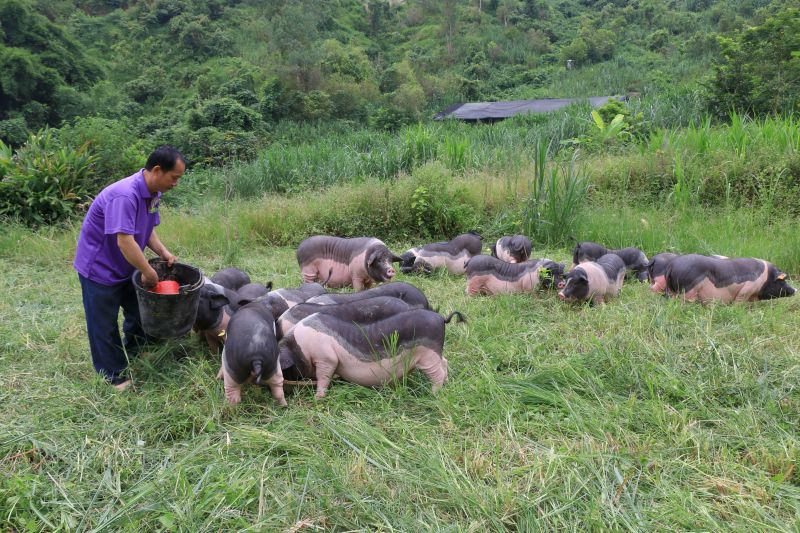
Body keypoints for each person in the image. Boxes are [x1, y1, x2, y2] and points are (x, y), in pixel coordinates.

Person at [74, 145, 186, 390]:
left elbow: (147, 229)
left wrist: (164, 252)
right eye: (174, 178)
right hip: (99, 268)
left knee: (138, 309)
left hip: (126, 262)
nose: (175, 183)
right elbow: (124, 240)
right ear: (157, 170)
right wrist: (148, 271)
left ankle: (137, 349)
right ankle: (113, 375)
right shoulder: (125, 195)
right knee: (103, 324)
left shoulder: (154, 193)